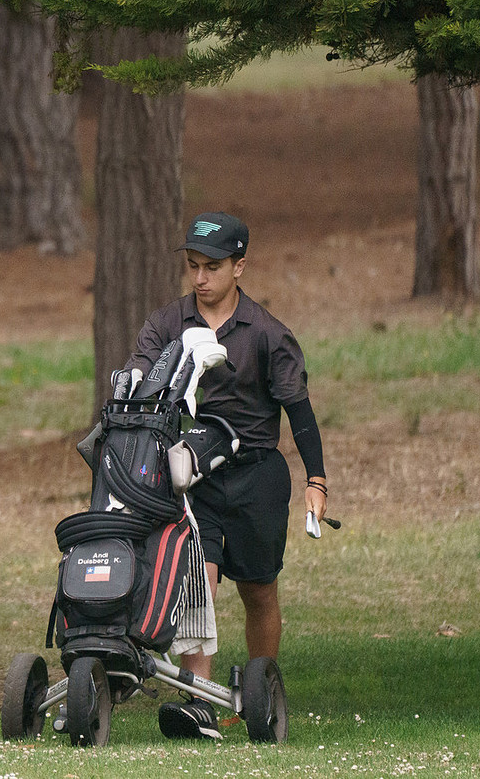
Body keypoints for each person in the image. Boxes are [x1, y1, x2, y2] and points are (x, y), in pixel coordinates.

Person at [125, 211, 328, 741]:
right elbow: (140, 380)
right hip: (192, 478)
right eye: (193, 266)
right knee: (199, 585)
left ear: (239, 266)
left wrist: (317, 481)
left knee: (259, 592)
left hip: (257, 476)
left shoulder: (268, 334)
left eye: (211, 267)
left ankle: (261, 696)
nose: (200, 278)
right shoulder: (166, 325)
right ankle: (199, 705)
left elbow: (300, 413)